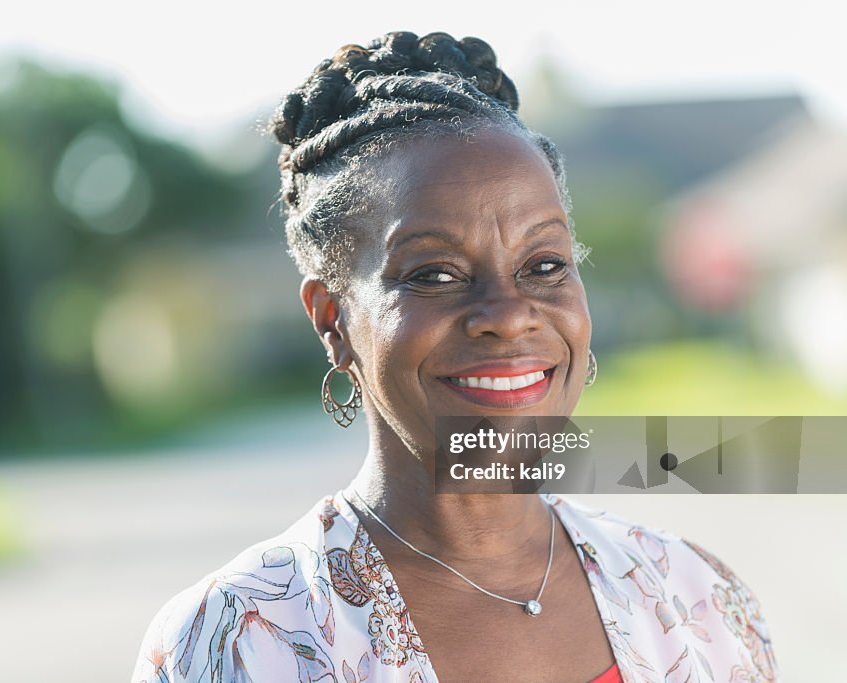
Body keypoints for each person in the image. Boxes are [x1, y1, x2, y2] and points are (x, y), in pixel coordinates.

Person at [131, 31, 778, 683]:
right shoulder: (240, 639)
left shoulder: (696, 600)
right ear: (332, 318)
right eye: (435, 274)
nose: (508, 314)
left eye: (544, 265)